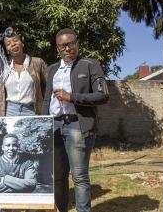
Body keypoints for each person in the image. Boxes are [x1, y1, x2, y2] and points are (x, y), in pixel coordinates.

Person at [42, 28, 109, 212]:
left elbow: (103, 96)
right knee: (58, 176)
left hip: (77, 125)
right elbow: (47, 99)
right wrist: (43, 124)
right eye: (62, 45)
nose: (67, 48)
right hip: (55, 125)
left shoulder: (90, 65)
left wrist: (71, 97)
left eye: (71, 43)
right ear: (58, 49)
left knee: (79, 176)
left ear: (77, 43)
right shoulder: (52, 70)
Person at [0, 27, 47, 116]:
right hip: (9, 112)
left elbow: (48, 87)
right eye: (8, 44)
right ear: (7, 50)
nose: (13, 44)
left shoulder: (37, 62)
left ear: (22, 43)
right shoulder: (4, 67)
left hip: (31, 110)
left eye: (15, 41)